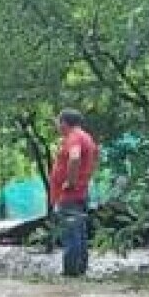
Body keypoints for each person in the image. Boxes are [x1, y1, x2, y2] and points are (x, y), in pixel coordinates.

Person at [50, 109, 99, 277]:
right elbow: (93, 159)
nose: (57, 126)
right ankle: (80, 270)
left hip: (70, 194)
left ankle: (70, 273)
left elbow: (75, 157)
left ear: (64, 122)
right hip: (80, 192)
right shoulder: (86, 137)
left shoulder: (74, 137)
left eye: (58, 122)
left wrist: (70, 182)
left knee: (71, 233)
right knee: (79, 232)